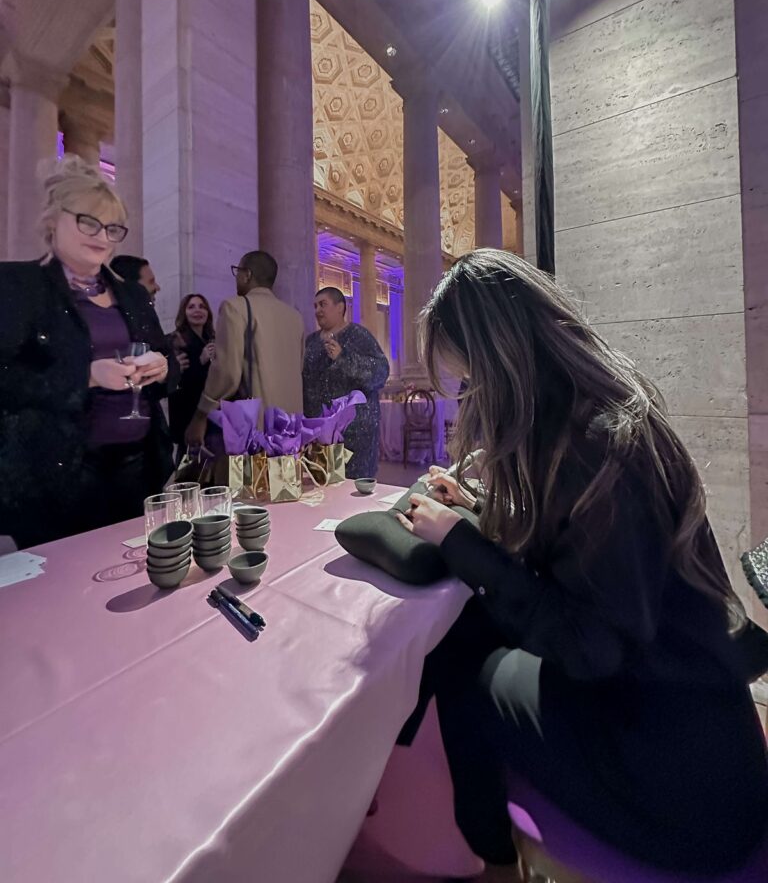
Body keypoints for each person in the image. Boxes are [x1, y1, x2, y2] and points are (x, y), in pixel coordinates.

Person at [395, 250, 768, 882]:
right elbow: (579, 565)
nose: (470, 396)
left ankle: (490, 862)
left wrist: (461, 542)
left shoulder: (591, 453)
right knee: (476, 633)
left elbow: (586, 642)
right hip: (701, 733)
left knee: (467, 669)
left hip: (674, 789)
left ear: (499, 363)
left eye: (470, 378)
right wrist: (482, 511)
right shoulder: (601, 417)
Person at [0, 155, 174, 548]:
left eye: (112, 229)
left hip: (138, 469)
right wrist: (88, 374)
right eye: (88, 222)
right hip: (60, 477)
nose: (102, 236)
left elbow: (168, 365)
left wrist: (162, 367)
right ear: (53, 219)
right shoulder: (18, 285)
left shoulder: (131, 294)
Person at [185, 250, 304, 446]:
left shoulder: (235, 307)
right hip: (291, 426)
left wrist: (200, 415)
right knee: (283, 476)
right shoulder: (294, 316)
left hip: (255, 426)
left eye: (237, 272)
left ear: (247, 274)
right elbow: (298, 369)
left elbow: (227, 373)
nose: (237, 278)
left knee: (253, 477)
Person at [303, 287, 390, 479]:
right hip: (319, 435)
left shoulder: (359, 336)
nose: (318, 310)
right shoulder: (310, 342)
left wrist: (344, 358)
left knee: (353, 493)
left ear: (340, 307)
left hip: (355, 434)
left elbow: (380, 372)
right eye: (315, 306)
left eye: (323, 304)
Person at [168, 294, 216, 448]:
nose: (197, 310)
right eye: (191, 307)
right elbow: (176, 381)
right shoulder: (176, 340)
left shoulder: (212, 339)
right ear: (184, 312)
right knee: (189, 469)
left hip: (211, 416)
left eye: (202, 307)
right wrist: (200, 361)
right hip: (187, 416)